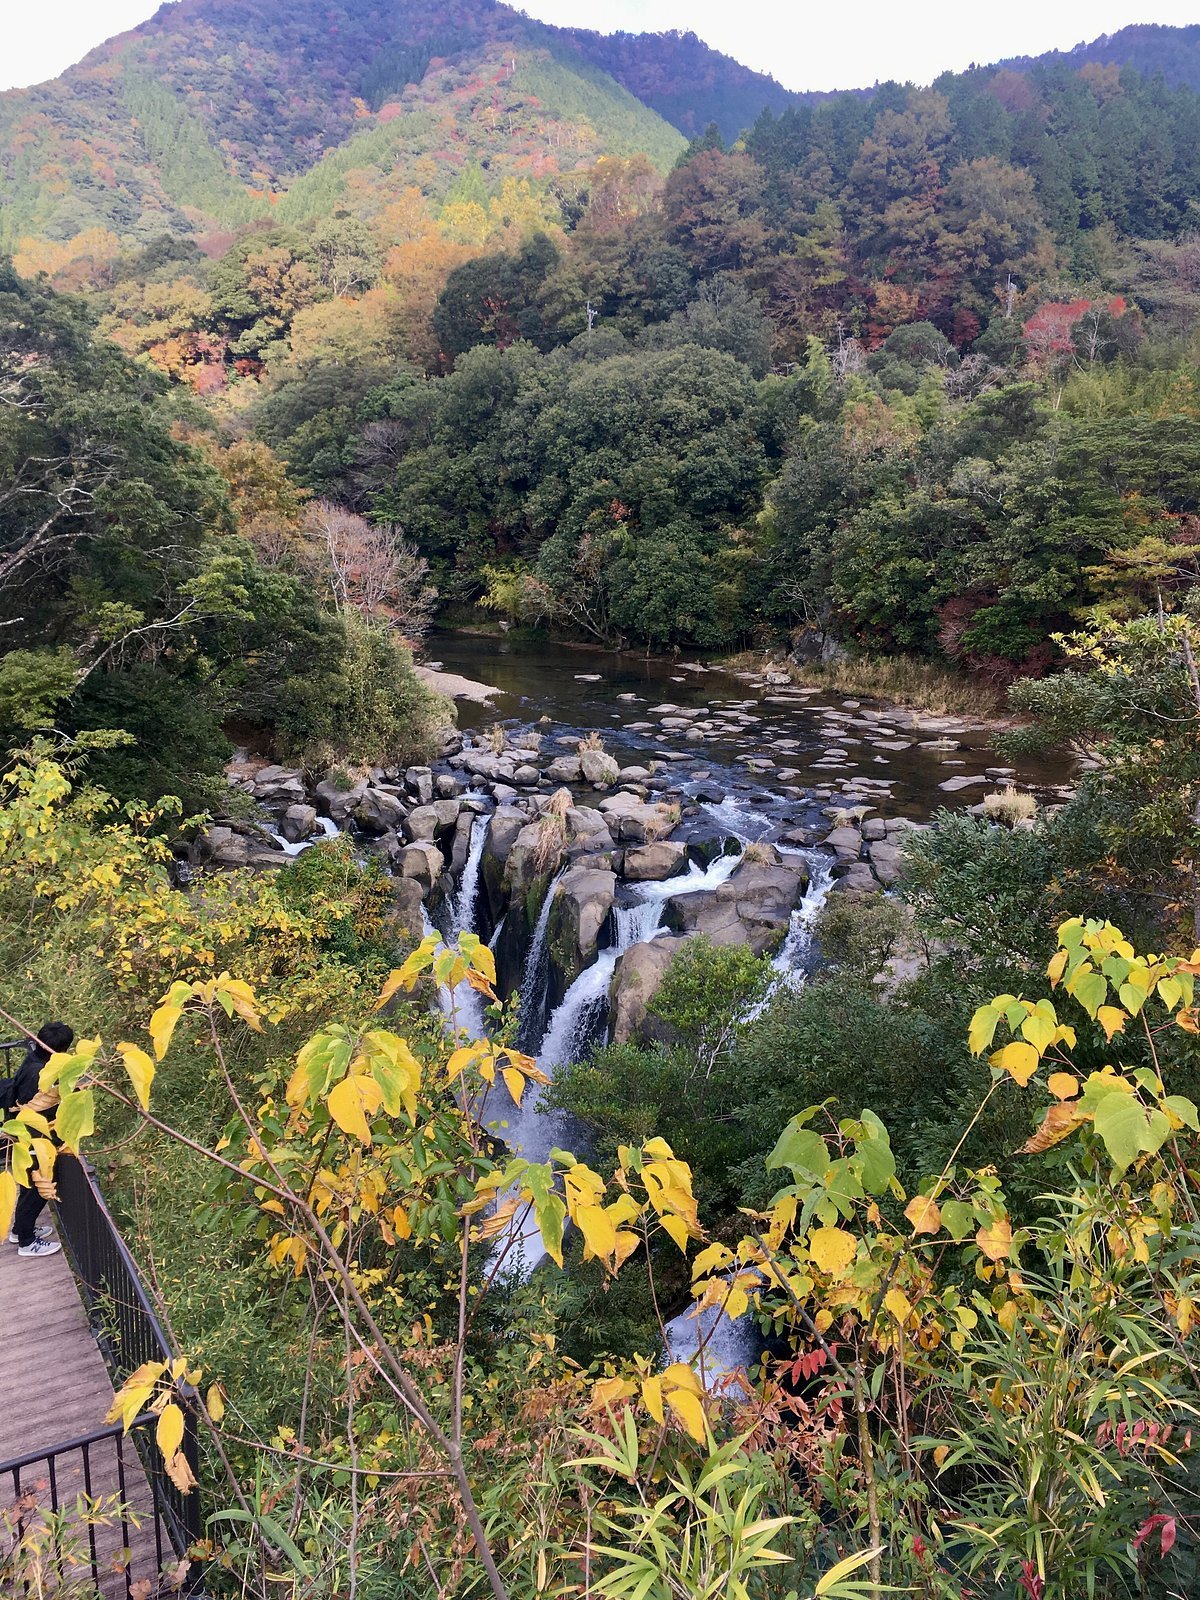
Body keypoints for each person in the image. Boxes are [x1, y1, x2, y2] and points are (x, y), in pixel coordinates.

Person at [2, 1022, 74, 1258]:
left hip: (27, 1136)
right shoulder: (40, 1074)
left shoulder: (34, 1060)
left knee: (29, 1186)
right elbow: (29, 1109)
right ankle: (26, 1241)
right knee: (37, 1187)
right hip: (32, 1138)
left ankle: (21, 1229)